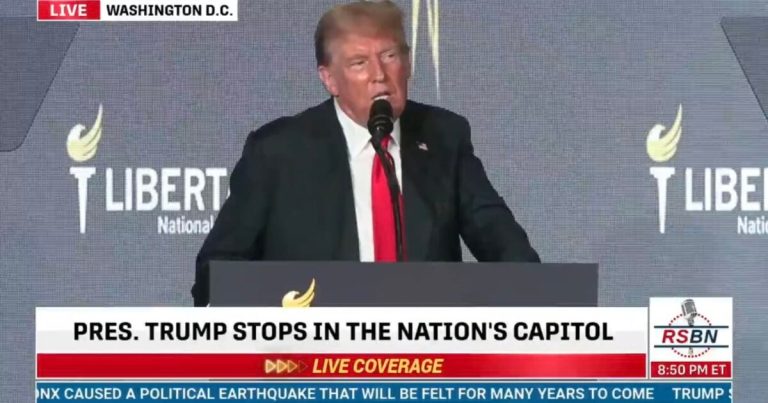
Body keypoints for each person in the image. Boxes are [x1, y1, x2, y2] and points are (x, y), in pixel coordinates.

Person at [192, 0, 539, 306]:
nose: (379, 75)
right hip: (313, 353)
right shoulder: (277, 152)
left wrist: (538, 304)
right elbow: (216, 274)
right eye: (359, 63)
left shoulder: (444, 137)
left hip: (424, 353)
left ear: (407, 63)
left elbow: (508, 251)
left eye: (389, 56)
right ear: (329, 79)